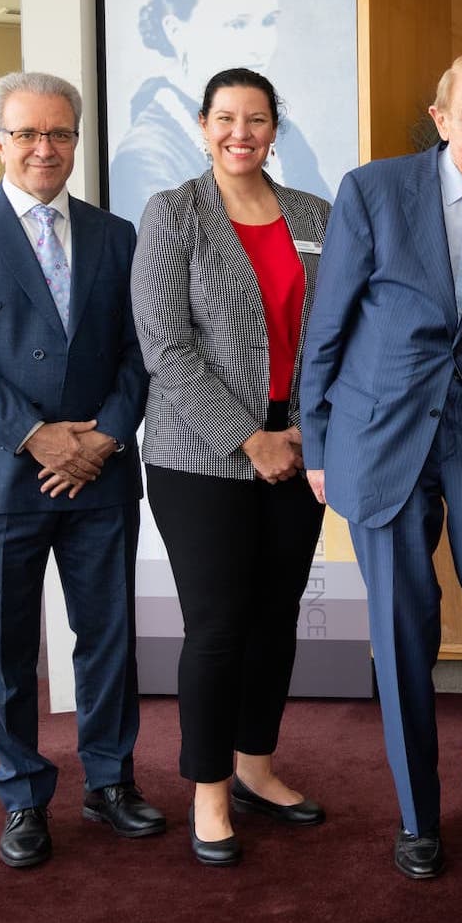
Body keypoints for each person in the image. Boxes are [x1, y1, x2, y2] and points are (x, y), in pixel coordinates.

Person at [298, 54, 462, 881]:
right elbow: (328, 322)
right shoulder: (373, 191)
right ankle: (418, 816)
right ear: (440, 117)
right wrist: (317, 442)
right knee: (403, 631)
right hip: (383, 440)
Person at [0, 71, 161, 868]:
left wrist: (104, 440)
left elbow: (139, 352)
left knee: (110, 638)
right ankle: (22, 793)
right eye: (26, 134)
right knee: (6, 646)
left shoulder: (117, 235)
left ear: (77, 141)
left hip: (99, 474)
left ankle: (110, 782)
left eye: (59, 134)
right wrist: (36, 437)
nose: (43, 148)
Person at [130, 67, 331, 868]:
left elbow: (332, 333)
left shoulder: (315, 214)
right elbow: (166, 349)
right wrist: (251, 437)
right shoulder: (174, 213)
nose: (240, 132)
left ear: (275, 127)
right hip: (200, 458)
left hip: (300, 453)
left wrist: (304, 434)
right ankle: (209, 791)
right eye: (225, 118)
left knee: (275, 618)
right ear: (202, 124)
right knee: (217, 626)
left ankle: (256, 767)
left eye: (255, 119)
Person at [109, 0, 330, 224]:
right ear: (175, 30)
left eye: (267, 21)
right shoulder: (146, 155)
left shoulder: (286, 139)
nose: (259, 44)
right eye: (237, 24)